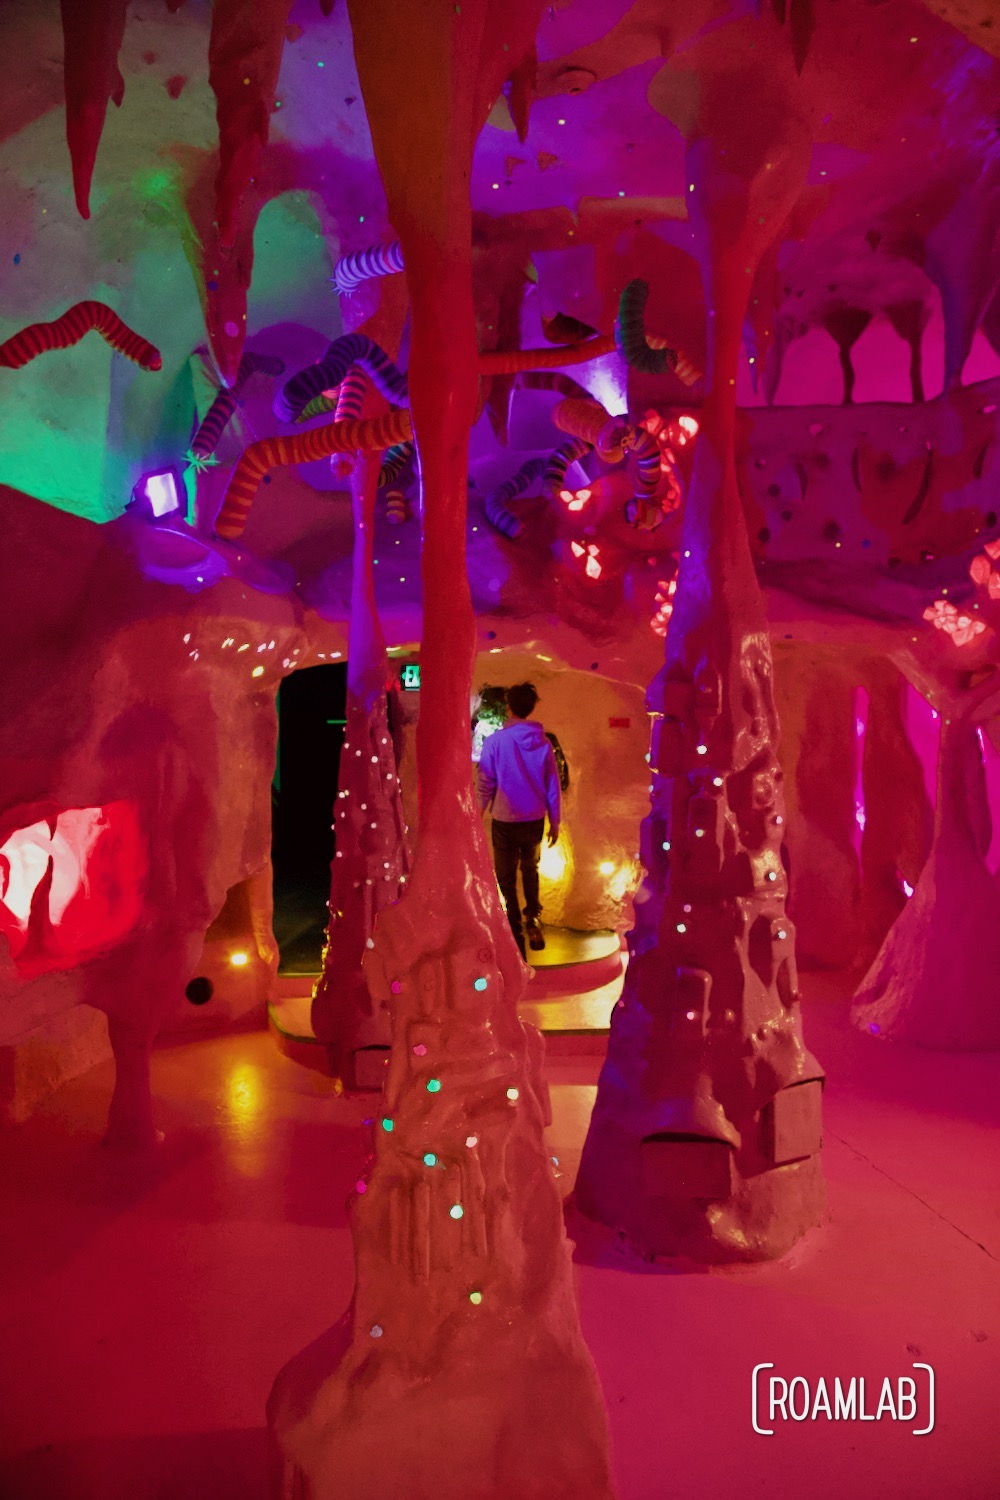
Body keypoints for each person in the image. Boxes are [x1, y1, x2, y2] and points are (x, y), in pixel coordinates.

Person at [477, 682, 561, 959]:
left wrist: (477, 814)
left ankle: (514, 933)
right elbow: (553, 786)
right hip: (534, 819)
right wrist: (555, 821)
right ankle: (533, 918)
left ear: (508, 707)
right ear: (531, 707)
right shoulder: (543, 743)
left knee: (506, 878)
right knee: (531, 869)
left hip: (505, 819)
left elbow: (486, 784)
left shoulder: (495, 742)